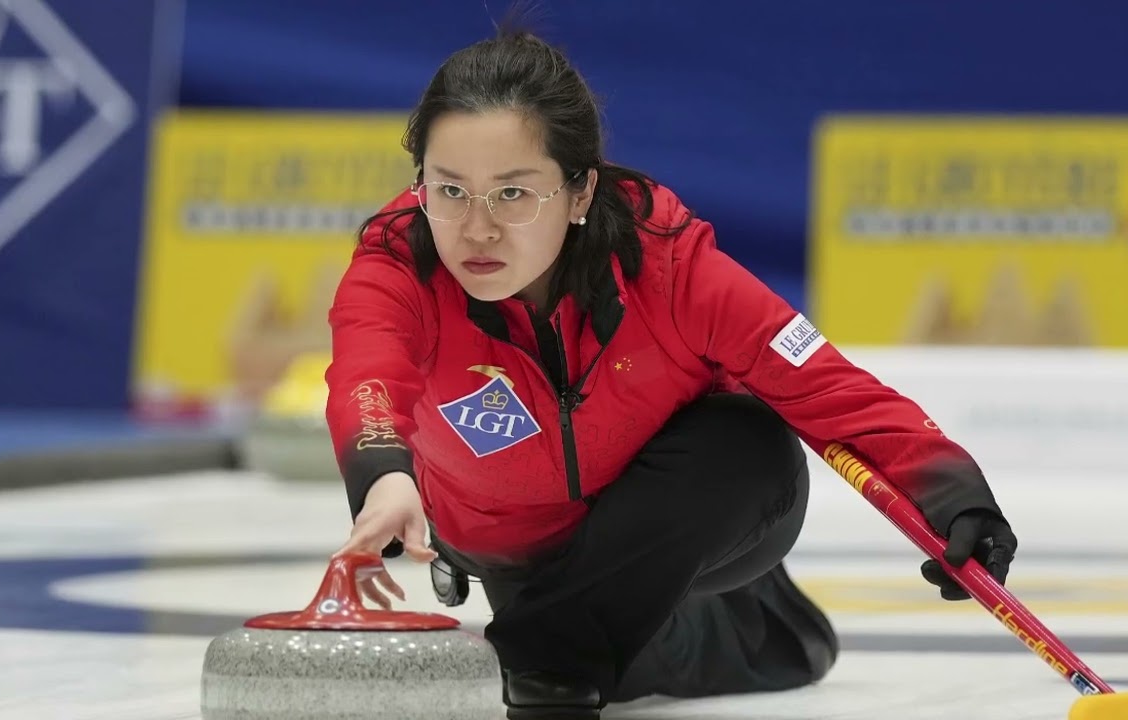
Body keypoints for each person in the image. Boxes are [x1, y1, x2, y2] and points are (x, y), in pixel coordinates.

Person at [325, 27, 1018, 720]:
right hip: (513, 544)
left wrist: (954, 493)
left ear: (579, 193)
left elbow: (826, 386)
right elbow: (369, 375)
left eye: (513, 194)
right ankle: (653, 628)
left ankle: (565, 642)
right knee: (603, 656)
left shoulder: (667, 263)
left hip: (677, 509)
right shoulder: (397, 266)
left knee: (748, 442)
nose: (476, 229)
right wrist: (385, 476)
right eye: (450, 189)